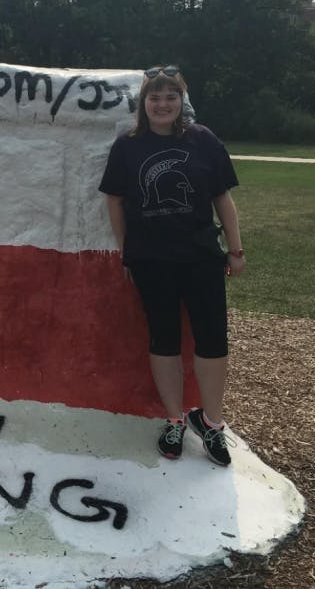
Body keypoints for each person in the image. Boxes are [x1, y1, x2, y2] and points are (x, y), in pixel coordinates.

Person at [98, 65, 246, 466]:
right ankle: (175, 418)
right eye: (154, 97)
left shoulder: (203, 140)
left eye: (170, 96)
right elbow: (114, 200)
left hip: (201, 256)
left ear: (182, 101)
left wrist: (235, 249)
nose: (162, 104)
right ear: (143, 103)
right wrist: (126, 249)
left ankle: (212, 422)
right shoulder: (128, 146)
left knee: (212, 339)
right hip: (151, 259)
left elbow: (223, 198)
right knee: (163, 338)